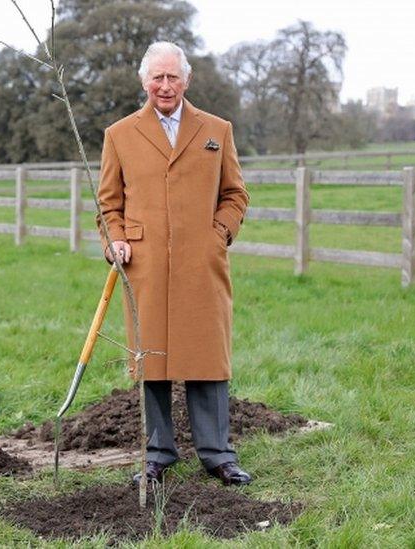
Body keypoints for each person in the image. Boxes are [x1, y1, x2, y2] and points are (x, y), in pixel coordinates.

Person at [96, 42, 252, 486]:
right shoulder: (120, 134)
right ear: (144, 82)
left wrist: (217, 234)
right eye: (157, 78)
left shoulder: (216, 130)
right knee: (153, 358)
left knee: (207, 355)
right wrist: (118, 241)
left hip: (201, 263)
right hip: (144, 265)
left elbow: (235, 194)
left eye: (173, 77)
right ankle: (158, 453)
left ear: (187, 80)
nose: (165, 86)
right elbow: (108, 204)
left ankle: (218, 454)